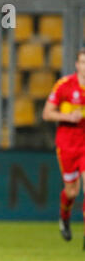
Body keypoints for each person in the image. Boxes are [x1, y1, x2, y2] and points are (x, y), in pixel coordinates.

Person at [42, 48, 85, 250]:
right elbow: (47, 113)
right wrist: (68, 117)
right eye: (83, 62)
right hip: (67, 145)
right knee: (72, 191)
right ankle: (64, 217)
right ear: (77, 64)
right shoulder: (65, 86)